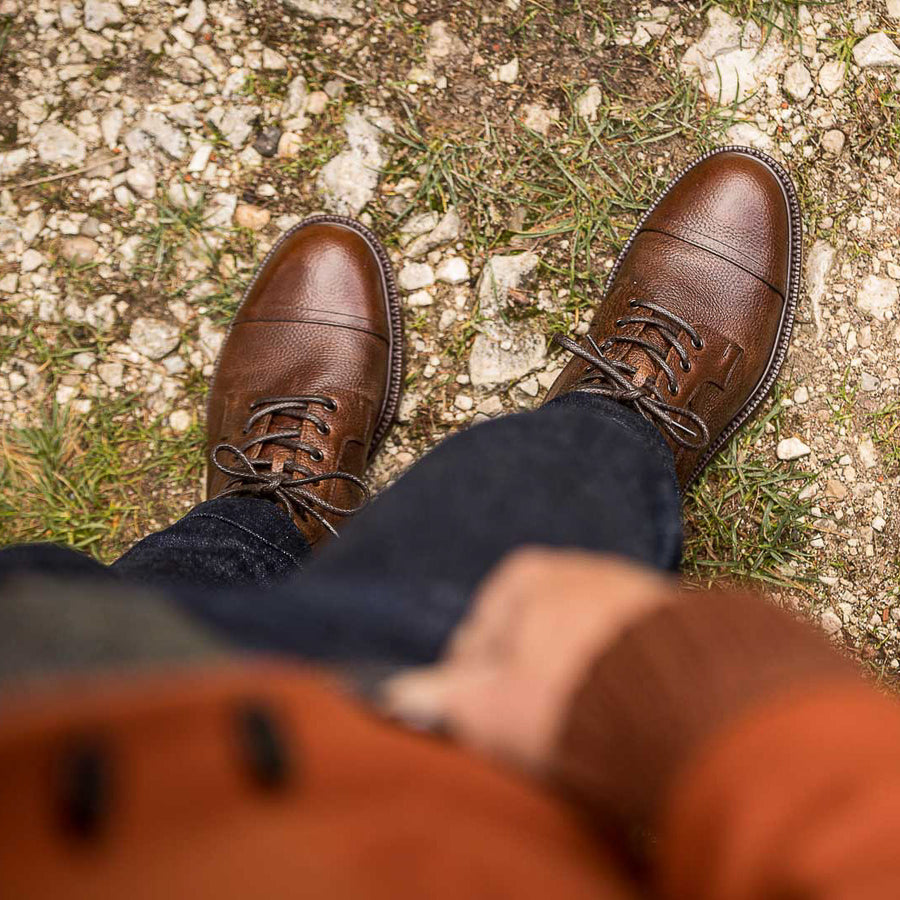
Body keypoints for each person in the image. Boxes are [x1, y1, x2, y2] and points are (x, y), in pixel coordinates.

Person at [2, 146, 899, 898]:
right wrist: (677, 700)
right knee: (532, 502)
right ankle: (619, 430)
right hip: (453, 825)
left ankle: (261, 515)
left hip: (51, 706)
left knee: (154, 597)